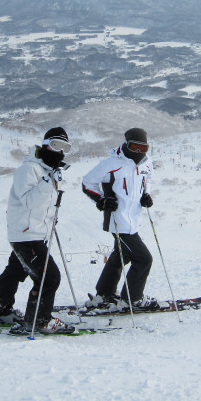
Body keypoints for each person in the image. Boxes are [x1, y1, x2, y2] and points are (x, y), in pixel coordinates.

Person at [0, 127, 75, 335]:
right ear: (45, 145)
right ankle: (38, 320)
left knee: (15, 271)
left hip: (32, 233)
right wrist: (48, 182)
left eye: (65, 147)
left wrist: (50, 219)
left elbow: (43, 205)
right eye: (56, 145)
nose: (60, 152)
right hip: (27, 235)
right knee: (49, 277)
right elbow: (27, 201)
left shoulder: (46, 171)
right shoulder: (29, 169)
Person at [82, 127, 159, 311]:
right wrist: (101, 200)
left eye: (143, 148)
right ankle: (133, 299)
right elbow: (87, 182)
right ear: (126, 145)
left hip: (134, 220)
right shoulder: (111, 163)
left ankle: (104, 294)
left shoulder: (147, 163)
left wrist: (146, 195)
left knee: (121, 255)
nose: (139, 152)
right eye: (134, 147)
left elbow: (147, 180)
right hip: (117, 219)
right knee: (144, 259)